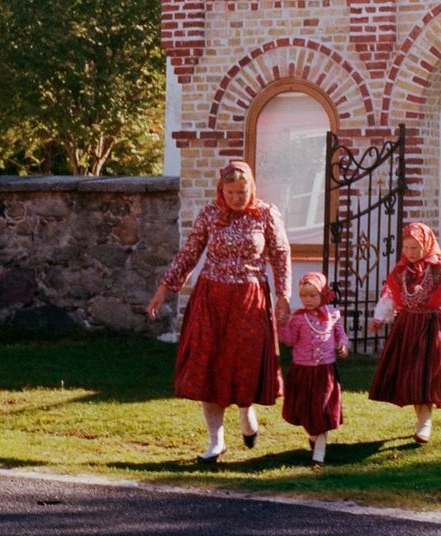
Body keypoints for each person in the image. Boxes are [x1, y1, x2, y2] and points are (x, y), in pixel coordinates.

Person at [147, 158, 290, 465]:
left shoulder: (265, 214)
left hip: (250, 299)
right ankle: (216, 442)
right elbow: (190, 252)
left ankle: (246, 412)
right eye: (231, 191)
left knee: (246, 364)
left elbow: (280, 254)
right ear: (221, 190)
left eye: (243, 191)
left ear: (251, 188)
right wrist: (164, 288)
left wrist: (284, 296)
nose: (237, 197)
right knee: (208, 367)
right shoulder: (210, 214)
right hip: (211, 299)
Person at [367, 220, 441, 444]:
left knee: (427, 373)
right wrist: (379, 318)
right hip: (406, 327)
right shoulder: (401, 271)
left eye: (415, 248)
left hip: (430, 328)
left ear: (427, 244)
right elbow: (390, 297)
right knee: (411, 375)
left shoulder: (439, 270)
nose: (410, 253)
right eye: (406, 248)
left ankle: (425, 422)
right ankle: (421, 418)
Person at [277, 270, 350, 468]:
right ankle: (312, 433)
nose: (307, 300)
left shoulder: (332, 315)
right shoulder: (299, 318)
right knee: (306, 408)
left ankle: (319, 453)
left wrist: (342, 344)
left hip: (324, 371)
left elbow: (340, 334)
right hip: (303, 370)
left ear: (323, 294)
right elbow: (290, 340)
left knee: (322, 407)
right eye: (303, 296)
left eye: (312, 296)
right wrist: (282, 326)